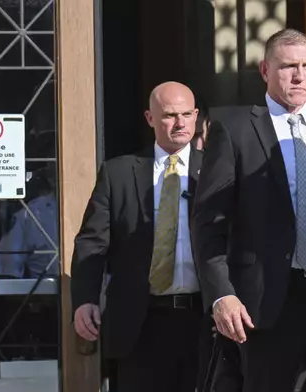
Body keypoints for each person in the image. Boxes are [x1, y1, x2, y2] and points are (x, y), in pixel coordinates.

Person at [192, 28, 306, 392]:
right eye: (287, 67)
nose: (298, 76)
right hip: (267, 302)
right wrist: (221, 293)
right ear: (266, 70)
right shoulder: (235, 129)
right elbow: (208, 222)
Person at [71, 82, 205, 392]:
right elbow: (92, 241)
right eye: (170, 115)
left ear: (196, 115)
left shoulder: (218, 170)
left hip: (204, 318)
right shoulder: (118, 174)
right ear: (150, 118)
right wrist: (85, 299)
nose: (180, 123)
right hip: (140, 322)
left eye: (187, 114)